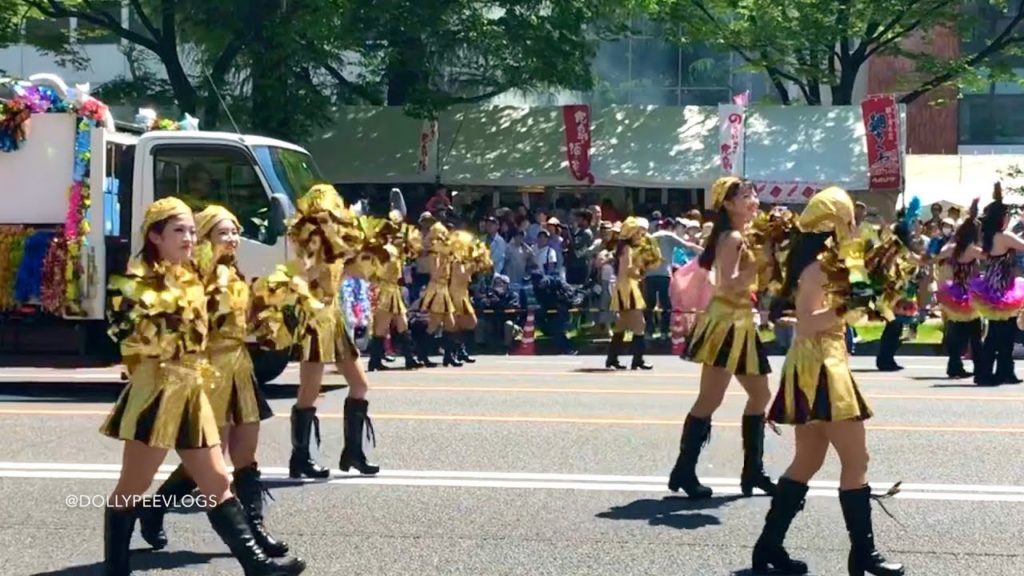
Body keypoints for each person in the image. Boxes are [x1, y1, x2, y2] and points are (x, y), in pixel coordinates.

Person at [101, 197, 305, 575]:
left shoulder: (192, 276)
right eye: (179, 230)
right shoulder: (136, 278)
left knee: (217, 480)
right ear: (155, 236)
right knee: (133, 485)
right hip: (156, 395)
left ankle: (257, 565)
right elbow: (125, 336)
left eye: (192, 231)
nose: (190, 238)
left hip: (191, 390)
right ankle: (116, 566)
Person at [751, 186, 904, 576]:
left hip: (817, 363)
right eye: (849, 219)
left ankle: (768, 548)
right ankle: (863, 557)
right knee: (856, 461)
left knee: (808, 459)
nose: (856, 225)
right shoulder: (818, 267)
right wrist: (849, 306)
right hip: (822, 366)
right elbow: (807, 320)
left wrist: (867, 288)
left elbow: (865, 301)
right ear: (834, 223)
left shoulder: (832, 261)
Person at [137, 205, 290, 557]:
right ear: (205, 238)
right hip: (210, 371)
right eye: (224, 232)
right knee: (209, 459)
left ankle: (255, 530)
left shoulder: (235, 275)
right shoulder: (198, 278)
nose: (233, 238)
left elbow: (247, 322)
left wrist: (269, 309)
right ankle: (154, 508)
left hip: (240, 368)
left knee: (245, 455)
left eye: (235, 231)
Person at [673, 176, 774, 499]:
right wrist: (760, 262)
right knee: (710, 399)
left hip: (742, 323)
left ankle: (753, 471)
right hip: (726, 324)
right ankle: (684, 471)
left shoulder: (743, 235)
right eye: (745, 195)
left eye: (753, 194)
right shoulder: (731, 238)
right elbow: (729, 284)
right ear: (728, 204)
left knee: (760, 395)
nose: (753, 200)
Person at [287, 184, 378, 479]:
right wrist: (329, 249)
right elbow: (305, 275)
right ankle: (299, 457)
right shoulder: (308, 243)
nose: (331, 222)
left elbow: (359, 272)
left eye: (333, 216)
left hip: (334, 317)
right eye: (324, 217)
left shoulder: (338, 243)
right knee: (309, 391)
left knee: (360, 385)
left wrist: (369, 249)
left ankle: (353, 452)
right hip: (314, 318)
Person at [970, 183, 1024, 385]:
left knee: (999, 332)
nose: (1009, 218)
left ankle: (1002, 371)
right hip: (1003, 286)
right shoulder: (1004, 236)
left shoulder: (987, 235)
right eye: (1007, 215)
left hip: (993, 283)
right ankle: (989, 373)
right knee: (1001, 334)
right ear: (1001, 217)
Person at [367, 211, 423, 371]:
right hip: (385, 290)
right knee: (381, 327)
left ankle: (409, 359)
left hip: (393, 289)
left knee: (402, 323)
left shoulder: (391, 250)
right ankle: (374, 361)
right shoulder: (385, 250)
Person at [935, 199, 984, 379]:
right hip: (969, 295)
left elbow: (937, 256)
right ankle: (980, 368)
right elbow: (989, 255)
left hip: (954, 294)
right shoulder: (971, 249)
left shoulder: (952, 247)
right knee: (975, 335)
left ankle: (954, 366)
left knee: (956, 333)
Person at [605, 217, 658, 370]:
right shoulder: (627, 248)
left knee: (621, 325)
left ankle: (612, 358)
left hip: (623, 287)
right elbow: (628, 269)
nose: (639, 236)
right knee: (639, 324)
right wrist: (641, 272)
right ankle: (638, 360)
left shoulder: (623, 247)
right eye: (636, 233)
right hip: (628, 287)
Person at [419, 221, 462, 366]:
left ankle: (448, 357)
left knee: (450, 323)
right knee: (434, 324)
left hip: (443, 288)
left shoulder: (443, 253)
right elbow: (435, 273)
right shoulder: (434, 254)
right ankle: (422, 354)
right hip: (437, 288)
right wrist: (444, 259)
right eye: (443, 235)